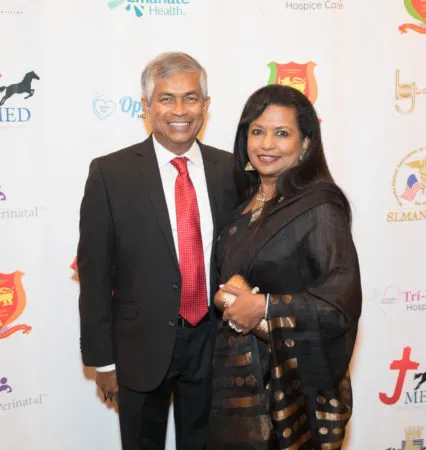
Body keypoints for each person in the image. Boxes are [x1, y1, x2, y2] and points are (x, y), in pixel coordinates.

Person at [77, 52, 236, 450]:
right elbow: (94, 276)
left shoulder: (232, 170)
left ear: (206, 105)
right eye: (166, 99)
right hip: (139, 349)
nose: (180, 110)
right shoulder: (110, 174)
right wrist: (104, 361)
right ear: (146, 107)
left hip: (214, 344)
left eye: (191, 98)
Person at [208, 84, 362, 449]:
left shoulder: (319, 207)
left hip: (288, 393)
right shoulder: (244, 205)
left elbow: (339, 303)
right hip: (238, 389)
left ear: (305, 143)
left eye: (282, 133)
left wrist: (264, 308)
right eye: (257, 131)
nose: (266, 144)